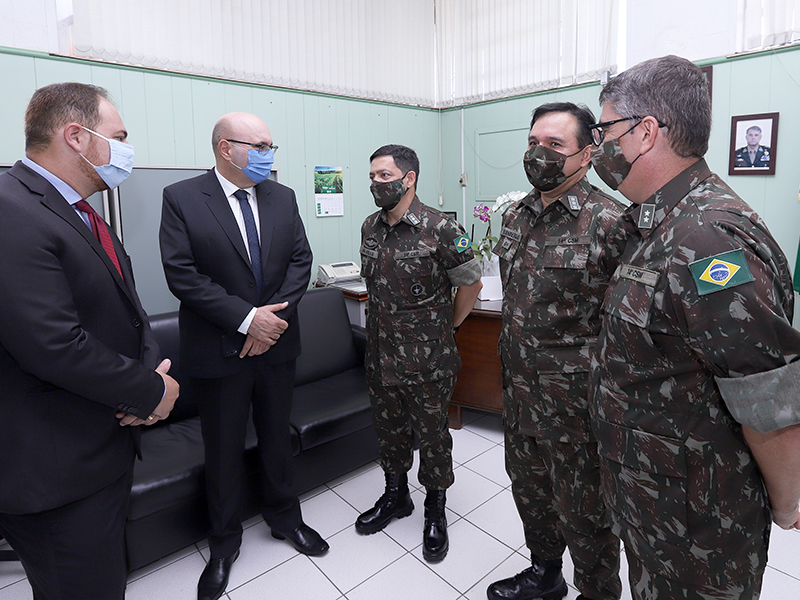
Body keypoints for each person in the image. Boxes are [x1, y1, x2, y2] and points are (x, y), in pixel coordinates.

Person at [589, 54, 800, 600]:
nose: (598, 145)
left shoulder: (708, 240)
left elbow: (767, 400)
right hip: (652, 501)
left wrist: (786, 500)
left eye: (605, 128)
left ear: (645, 133)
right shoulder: (659, 222)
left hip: (696, 527)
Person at [0, 82, 179, 600]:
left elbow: (128, 312)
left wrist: (145, 385)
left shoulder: (80, 210)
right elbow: (53, 344)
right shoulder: (12, 211)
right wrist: (150, 392)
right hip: (55, 472)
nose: (126, 149)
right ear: (76, 136)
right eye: (118, 136)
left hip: (100, 448)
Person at [159, 112, 325, 600]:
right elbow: (182, 275)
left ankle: (283, 518)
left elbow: (300, 261)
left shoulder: (283, 196)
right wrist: (247, 319)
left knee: (276, 437)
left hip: (276, 345)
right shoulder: (183, 198)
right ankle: (224, 542)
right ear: (224, 148)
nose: (267, 154)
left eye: (271, 145)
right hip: (218, 347)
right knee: (224, 448)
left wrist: (269, 323)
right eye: (258, 145)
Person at [486, 103, 623, 600]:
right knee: (532, 497)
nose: (538, 154)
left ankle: (598, 593)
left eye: (555, 145)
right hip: (520, 397)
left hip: (577, 411)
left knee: (587, 515)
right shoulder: (515, 217)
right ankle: (545, 574)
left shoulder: (611, 223)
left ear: (587, 154)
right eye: (532, 143)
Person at [356, 144, 482, 562]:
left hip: (428, 359)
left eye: (385, 176)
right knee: (389, 432)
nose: (376, 183)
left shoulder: (440, 228)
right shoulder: (370, 227)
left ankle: (434, 507)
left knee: (432, 436)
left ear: (409, 178)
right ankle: (396, 496)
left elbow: (471, 285)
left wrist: (450, 327)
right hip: (380, 356)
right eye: (373, 176)